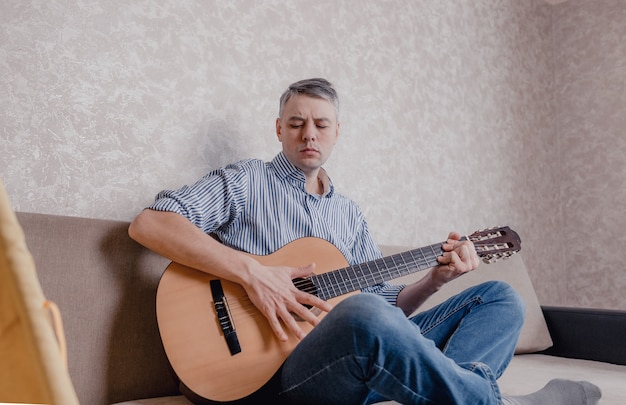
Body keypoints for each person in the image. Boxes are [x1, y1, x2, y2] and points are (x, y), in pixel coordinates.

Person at [129, 78, 601, 404]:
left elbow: (386, 314)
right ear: (279, 130)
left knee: (500, 299)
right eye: (295, 123)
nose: (308, 133)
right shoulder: (247, 181)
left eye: (321, 124)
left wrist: (436, 278)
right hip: (274, 376)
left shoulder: (348, 212)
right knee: (363, 313)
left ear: (337, 133)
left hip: (355, 362)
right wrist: (252, 272)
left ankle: (450, 396)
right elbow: (149, 224)